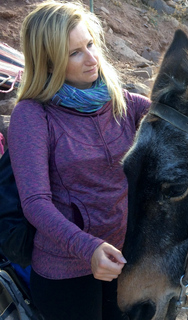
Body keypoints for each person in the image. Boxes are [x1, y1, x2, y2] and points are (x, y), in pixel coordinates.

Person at [7, 1, 151, 319]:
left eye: (90, 44)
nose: (91, 59)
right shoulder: (32, 115)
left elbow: (180, 124)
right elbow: (36, 203)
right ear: (48, 63)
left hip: (123, 259)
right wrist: (89, 249)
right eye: (74, 53)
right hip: (66, 275)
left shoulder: (124, 102)